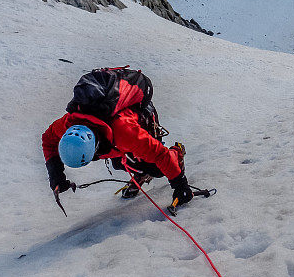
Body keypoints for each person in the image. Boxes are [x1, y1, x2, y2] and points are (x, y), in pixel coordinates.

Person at [42, 67, 194, 209]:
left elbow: (160, 154)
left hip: (143, 117)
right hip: (113, 134)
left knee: (157, 168)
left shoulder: (124, 132)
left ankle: (177, 153)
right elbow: (48, 140)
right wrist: (56, 176)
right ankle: (140, 171)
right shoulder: (68, 123)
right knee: (118, 162)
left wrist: (180, 185)